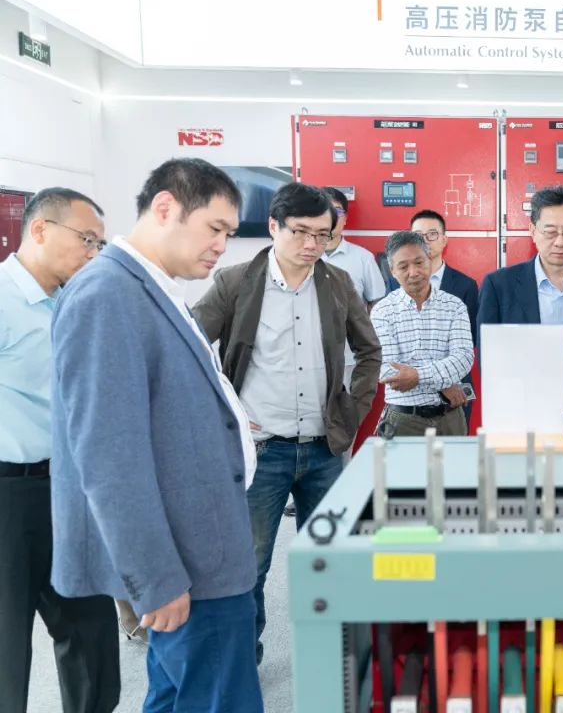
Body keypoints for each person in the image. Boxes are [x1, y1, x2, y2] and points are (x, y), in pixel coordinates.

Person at [50, 158, 264, 711]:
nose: (222, 246)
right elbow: (109, 460)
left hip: (203, 551)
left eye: (229, 233)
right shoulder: (107, 295)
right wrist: (156, 579)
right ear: (166, 207)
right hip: (185, 566)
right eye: (215, 228)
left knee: (178, 694)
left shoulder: (152, 288)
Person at [193, 182, 381, 665]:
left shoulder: (338, 283)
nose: (312, 244)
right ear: (274, 226)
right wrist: (221, 415)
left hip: (324, 449)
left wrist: (353, 411)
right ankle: (245, 657)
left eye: (322, 234)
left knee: (331, 559)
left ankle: (334, 654)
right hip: (262, 451)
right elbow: (187, 347)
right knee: (250, 565)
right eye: (301, 232)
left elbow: (369, 351)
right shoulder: (236, 282)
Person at [1, 188, 118, 713]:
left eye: (99, 243)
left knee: (92, 635)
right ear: (40, 230)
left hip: (72, 490)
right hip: (10, 497)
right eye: (86, 239)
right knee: (7, 649)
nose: (94, 252)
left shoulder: (78, 301)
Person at [477, 185, 563, 434]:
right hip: (520, 419)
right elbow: (489, 358)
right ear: (533, 231)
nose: (560, 242)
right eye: (550, 231)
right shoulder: (499, 286)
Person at [371, 230, 474, 435]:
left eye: (419, 262)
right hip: (402, 420)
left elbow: (463, 358)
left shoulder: (454, 306)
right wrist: (442, 385)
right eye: (403, 266)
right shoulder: (382, 312)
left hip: (450, 418)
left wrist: (417, 375)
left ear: (429, 260)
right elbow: (389, 372)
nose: (414, 272)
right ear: (392, 270)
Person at [398, 210, 480, 426]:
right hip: (409, 394)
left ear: (444, 240)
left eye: (432, 234)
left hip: (455, 393)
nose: (425, 240)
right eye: (418, 235)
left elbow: (467, 343)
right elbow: (397, 343)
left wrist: (444, 380)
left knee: (454, 448)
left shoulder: (465, 286)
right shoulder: (396, 283)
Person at [322, 186, 386, 306]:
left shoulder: (364, 258)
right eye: (324, 211)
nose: (331, 218)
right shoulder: (301, 256)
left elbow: (378, 304)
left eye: (337, 212)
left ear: (345, 219)